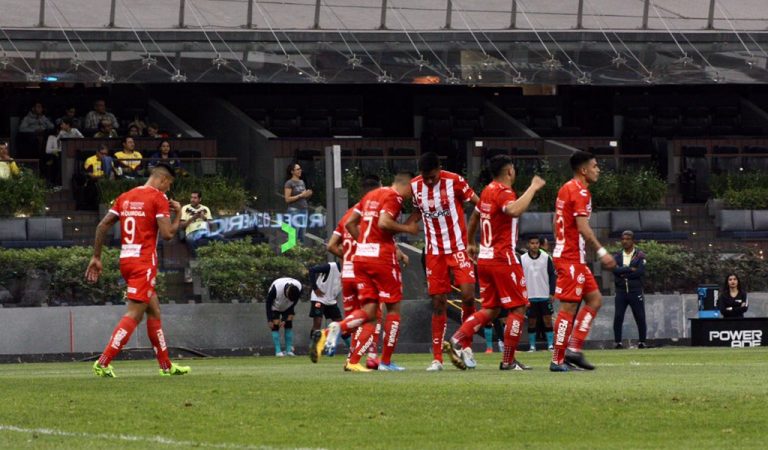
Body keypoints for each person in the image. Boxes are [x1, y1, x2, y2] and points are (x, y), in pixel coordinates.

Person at [86, 163, 190, 377]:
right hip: (144, 263)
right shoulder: (157, 198)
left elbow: (102, 226)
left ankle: (166, 366)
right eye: (168, 185)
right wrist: (179, 213)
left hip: (126, 261)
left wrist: (96, 256)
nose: (167, 190)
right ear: (162, 180)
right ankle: (103, 362)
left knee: (154, 311)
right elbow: (169, 234)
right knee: (134, 314)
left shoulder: (125, 196)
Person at [445, 155, 545, 371]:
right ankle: (508, 360)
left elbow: (473, 218)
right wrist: (533, 188)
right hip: (503, 259)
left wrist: (471, 242)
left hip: (485, 259)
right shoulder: (503, 191)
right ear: (509, 171)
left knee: (491, 308)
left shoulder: (488, 190)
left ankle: (457, 339)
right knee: (518, 308)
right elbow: (514, 210)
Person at [311, 172, 419, 372]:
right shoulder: (393, 196)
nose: (412, 195)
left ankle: (335, 335)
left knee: (369, 313)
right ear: (405, 185)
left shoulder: (367, 198)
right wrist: (407, 228)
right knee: (393, 309)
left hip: (360, 259)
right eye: (412, 190)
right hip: (381, 259)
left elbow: (350, 224)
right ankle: (385, 361)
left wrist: (364, 244)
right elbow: (384, 223)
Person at [409, 152, 480, 372]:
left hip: (458, 248)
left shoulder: (455, 181)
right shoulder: (414, 186)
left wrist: (472, 239)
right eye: (425, 177)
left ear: (440, 169)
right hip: (434, 253)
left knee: (468, 295)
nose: (429, 181)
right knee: (438, 302)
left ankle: (466, 347)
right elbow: (415, 212)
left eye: (433, 176)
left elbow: (479, 205)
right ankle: (437, 358)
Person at [550, 150, 617, 372]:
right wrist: (601, 252)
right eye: (595, 166)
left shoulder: (566, 188)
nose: (598, 170)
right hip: (570, 257)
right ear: (584, 169)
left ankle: (574, 350)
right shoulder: (580, 192)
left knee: (595, 299)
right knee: (568, 307)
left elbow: (557, 220)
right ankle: (557, 359)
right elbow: (583, 228)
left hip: (570, 255)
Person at [612, 230, 648, 349]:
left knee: (640, 316)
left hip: (635, 291)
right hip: (621, 291)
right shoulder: (617, 255)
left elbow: (640, 272)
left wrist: (624, 272)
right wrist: (629, 269)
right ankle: (618, 342)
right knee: (618, 317)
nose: (625, 241)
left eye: (627, 239)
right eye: (623, 239)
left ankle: (642, 342)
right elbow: (615, 270)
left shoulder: (640, 255)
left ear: (633, 241)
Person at [521, 235, 556, 352]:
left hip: (544, 294)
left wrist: (552, 292)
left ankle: (550, 345)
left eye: (536, 243)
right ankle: (532, 346)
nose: (534, 245)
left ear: (539, 245)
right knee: (531, 322)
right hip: (530, 296)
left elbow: (552, 275)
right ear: (528, 244)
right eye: (532, 243)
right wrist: (522, 294)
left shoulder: (546, 258)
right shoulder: (522, 258)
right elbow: (519, 277)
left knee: (547, 319)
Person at [308, 261, 347, 352]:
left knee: (340, 323)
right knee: (318, 322)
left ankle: (351, 349)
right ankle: (313, 348)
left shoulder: (349, 271)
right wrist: (315, 288)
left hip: (331, 300)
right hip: (318, 297)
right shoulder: (331, 266)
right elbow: (312, 270)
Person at [266, 277, 302, 357]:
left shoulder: (299, 287)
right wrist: (269, 319)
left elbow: (293, 304)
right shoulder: (276, 289)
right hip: (276, 305)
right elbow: (268, 303)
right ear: (286, 291)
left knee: (289, 322)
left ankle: (288, 350)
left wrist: (285, 319)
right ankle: (278, 351)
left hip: (288, 307)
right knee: (275, 324)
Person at [180, 191, 222, 255]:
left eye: (195, 198)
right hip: (192, 232)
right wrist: (193, 218)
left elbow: (212, 226)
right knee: (190, 240)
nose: (192, 200)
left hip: (205, 231)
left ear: (200, 199)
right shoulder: (185, 208)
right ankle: (196, 261)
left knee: (220, 237)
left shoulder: (205, 208)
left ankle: (221, 257)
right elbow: (182, 226)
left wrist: (204, 218)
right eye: (191, 198)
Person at [284, 163, 312, 243]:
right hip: (294, 210)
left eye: (300, 169)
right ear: (292, 171)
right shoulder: (289, 183)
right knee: (293, 235)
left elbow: (303, 196)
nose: (300, 170)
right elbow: (287, 199)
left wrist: (308, 194)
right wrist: (301, 195)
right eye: (298, 169)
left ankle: (300, 254)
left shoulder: (301, 182)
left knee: (302, 235)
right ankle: (291, 253)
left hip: (304, 210)